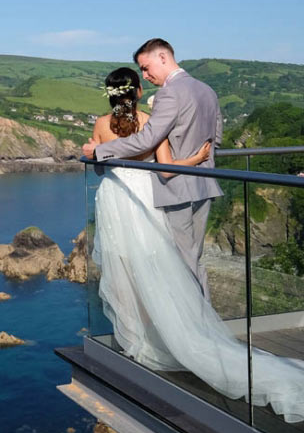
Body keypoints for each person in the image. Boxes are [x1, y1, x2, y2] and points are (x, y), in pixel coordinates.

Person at [89, 67, 304, 423]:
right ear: (138, 89)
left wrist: (94, 152)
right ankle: (163, 335)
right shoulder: (149, 122)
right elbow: (165, 171)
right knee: (157, 269)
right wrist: (194, 160)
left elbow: (99, 165)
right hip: (145, 199)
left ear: (110, 94)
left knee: (124, 271)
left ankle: (134, 342)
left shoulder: (101, 125)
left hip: (115, 199)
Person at [83, 39, 222, 300]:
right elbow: (217, 138)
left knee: (181, 263)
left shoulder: (169, 94)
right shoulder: (207, 90)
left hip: (174, 188)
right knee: (195, 258)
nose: (146, 76)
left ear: (162, 57)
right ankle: (203, 319)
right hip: (205, 183)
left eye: (146, 68)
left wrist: (100, 152)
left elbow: (148, 139)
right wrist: (199, 159)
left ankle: (194, 329)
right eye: (141, 73)